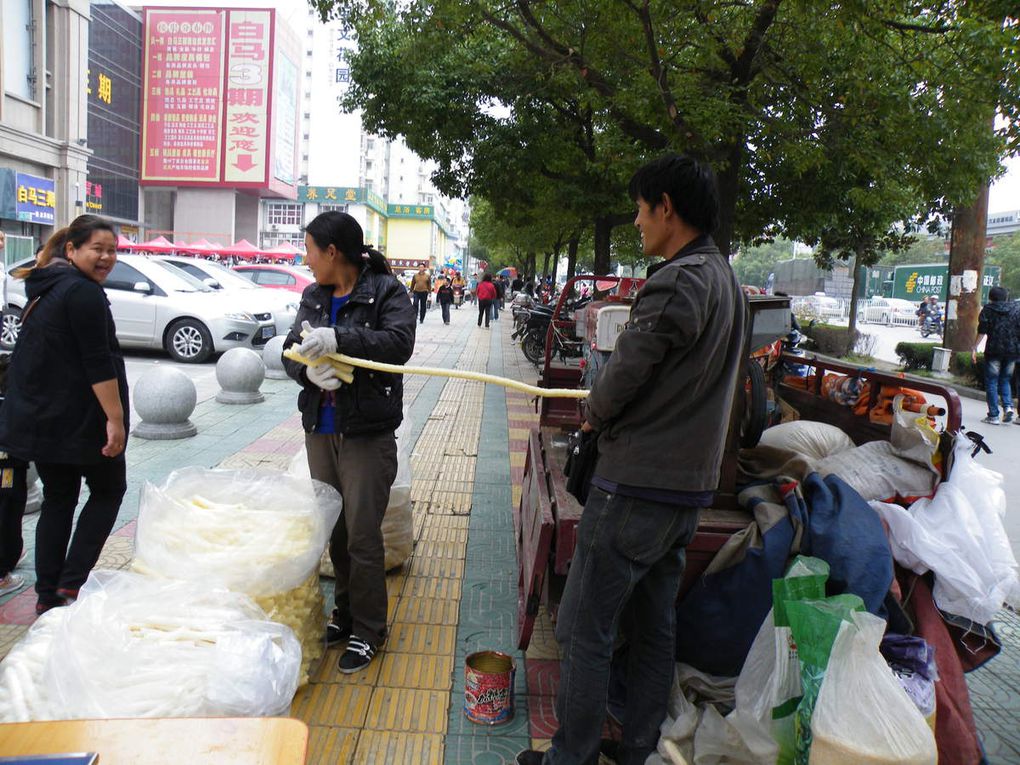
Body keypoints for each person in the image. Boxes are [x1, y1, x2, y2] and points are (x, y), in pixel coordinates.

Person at [516, 154, 747, 765]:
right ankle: (638, 746)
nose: (638, 224)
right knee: (652, 627)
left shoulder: (676, 281)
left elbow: (622, 378)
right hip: (685, 492)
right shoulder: (724, 280)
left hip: (637, 485)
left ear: (666, 208)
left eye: (642, 211)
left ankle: (573, 755)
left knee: (584, 631)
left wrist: (595, 409)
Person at [281, 211, 415, 674]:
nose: (307, 258)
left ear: (332, 252)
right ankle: (345, 614)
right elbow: (289, 348)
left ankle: (370, 629)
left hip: (366, 433)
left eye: (310, 249)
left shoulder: (385, 291)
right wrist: (306, 368)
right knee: (334, 530)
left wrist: (340, 338)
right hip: (321, 428)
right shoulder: (314, 295)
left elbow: (398, 344)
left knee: (362, 534)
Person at [0, 215, 129, 615]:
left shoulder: (48, 287)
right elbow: (97, 363)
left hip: (44, 421)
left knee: (59, 500)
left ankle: (47, 595)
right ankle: (71, 584)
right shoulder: (83, 293)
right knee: (109, 491)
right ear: (71, 250)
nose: (106, 257)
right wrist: (116, 419)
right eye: (97, 249)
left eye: (112, 250)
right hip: (80, 422)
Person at [973, 286, 1020, 425]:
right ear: (1006, 297)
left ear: (991, 297)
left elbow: (982, 331)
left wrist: (974, 347)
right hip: (1012, 351)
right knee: (1005, 380)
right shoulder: (1015, 309)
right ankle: (1008, 407)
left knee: (992, 382)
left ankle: (993, 416)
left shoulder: (988, 309)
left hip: (994, 351)